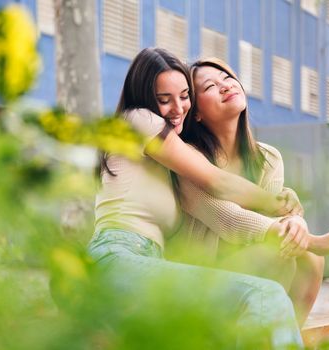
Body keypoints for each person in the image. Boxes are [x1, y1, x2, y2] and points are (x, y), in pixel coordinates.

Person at [88, 48, 304, 348]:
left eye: (185, 95)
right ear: (146, 100)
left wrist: (283, 206)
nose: (178, 108)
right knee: (265, 295)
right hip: (117, 258)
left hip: (148, 264)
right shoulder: (137, 119)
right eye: (164, 100)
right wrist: (278, 205)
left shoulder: (168, 158)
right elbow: (216, 180)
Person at [173, 57, 329, 325]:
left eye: (227, 78)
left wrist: (295, 221)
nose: (225, 86)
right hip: (201, 281)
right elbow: (230, 221)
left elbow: (278, 221)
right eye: (209, 87)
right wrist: (313, 240)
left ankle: (287, 337)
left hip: (252, 268)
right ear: (197, 113)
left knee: (307, 258)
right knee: (290, 252)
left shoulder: (268, 158)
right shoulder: (190, 158)